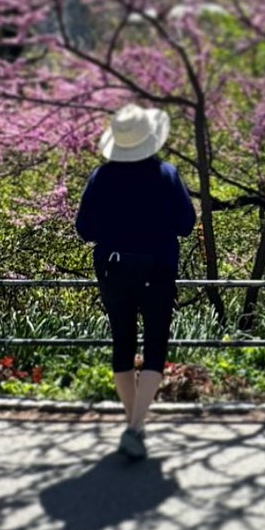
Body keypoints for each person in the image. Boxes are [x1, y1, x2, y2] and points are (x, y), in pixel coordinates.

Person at [75, 102, 196, 458]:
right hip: (157, 267)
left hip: (112, 267)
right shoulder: (168, 175)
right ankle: (135, 426)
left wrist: (113, 230)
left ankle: (134, 427)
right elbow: (186, 225)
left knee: (122, 341)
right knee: (156, 343)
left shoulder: (101, 177)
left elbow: (83, 229)